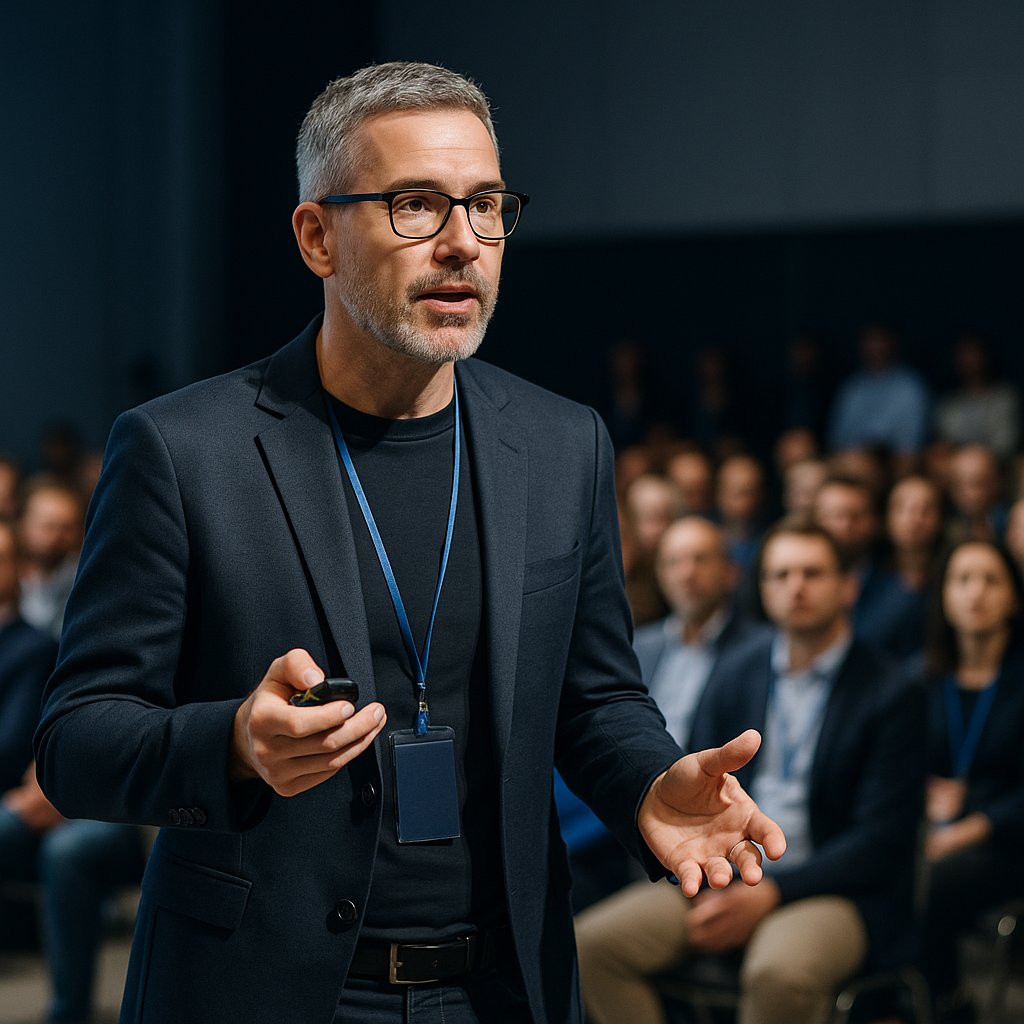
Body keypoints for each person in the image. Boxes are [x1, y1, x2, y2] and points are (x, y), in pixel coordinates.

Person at [35, 63, 784, 1024]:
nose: (463, 244)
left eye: (486, 206)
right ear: (317, 236)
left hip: (503, 987)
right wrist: (229, 742)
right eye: (416, 206)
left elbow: (594, 697)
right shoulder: (185, 451)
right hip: (267, 989)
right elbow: (76, 739)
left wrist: (650, 783)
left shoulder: (561, 442)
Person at [575, 520, 926, 1024]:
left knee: (778, 973)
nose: (795, 586)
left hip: (835, 887)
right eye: (780, 574)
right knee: (593, 946)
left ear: (849, 586)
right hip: (733, 871)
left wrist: (774, 894)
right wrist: (730, 881)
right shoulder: (739, 668)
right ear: (762, 588)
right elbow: (705, 784)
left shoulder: (892, 691)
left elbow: (881, 841)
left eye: (813, 572)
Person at [0, 519, 144, 1024]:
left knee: (68, 848)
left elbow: (16, 742)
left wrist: (54, 784)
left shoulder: (39, 645)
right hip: (36, 793)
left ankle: (69, 1011)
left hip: (99, 801)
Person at [920, 540, 1024, 1023]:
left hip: (1007, 838)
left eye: (990, 579)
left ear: (1014, 597)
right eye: (962, 579)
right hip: (933, 829)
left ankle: (944, 1002)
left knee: (934, 878)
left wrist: (970, 818)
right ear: (944, 594)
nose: (975, 592)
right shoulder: (922, 678)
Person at [634, 516, 763, 750]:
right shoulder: (639, 646)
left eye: (700, 559)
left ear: (731, 572)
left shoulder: (759, 650)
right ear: (659, 574)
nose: (687, 573)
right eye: (673, 562)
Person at [814, 474, 924, 658]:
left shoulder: (902, 599)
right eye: (834, 515)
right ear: (815, 521)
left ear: (875, 522)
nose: (845, 525)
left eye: (855, 516)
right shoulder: (793, 584)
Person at [826, 323, 929, 472]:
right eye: (871, 341)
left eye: (881, 341)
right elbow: (837, 437)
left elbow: (911, 441)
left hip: (893, 459)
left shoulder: (910, 386)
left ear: (893, 345)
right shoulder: (852, 387)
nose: (876, 347)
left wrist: (877, 450)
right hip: (854, 456)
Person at [18, 477, 85, 641]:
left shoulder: (84, 579)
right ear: (23, 523)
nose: (56, 536)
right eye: (48, 526)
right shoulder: (8, 573)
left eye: (66, 528)